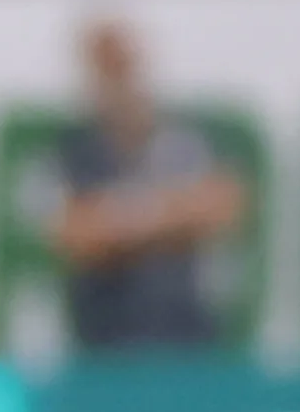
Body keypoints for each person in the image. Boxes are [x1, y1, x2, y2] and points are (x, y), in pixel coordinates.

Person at [54, 19, 241, 352]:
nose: (118, 81)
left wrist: (120, 218)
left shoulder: (182, 136)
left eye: (123, 66)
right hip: (106, 337)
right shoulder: (78, 147)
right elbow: (78, 235)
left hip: (186, 332)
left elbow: (221, 207)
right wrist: (168, 215)